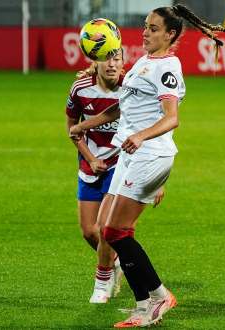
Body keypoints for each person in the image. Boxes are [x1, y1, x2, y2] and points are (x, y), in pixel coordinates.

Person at [70, 5, 225, 327]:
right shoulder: (143, 62)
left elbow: (172, 117)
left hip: (150, 154)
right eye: (145, 26)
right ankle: (146, 303)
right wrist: (86, 126)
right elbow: (120, 108)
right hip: (129, 154)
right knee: (106, 230)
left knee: (115, 231)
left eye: (153, 28)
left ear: (171, 35)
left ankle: (156, 297)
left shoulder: (167, 68)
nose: (145, 32)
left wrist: (140, 136)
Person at [66, 49, 164, 304]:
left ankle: (102, 284)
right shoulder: (80, 89)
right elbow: (72, 125)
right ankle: (118, 262)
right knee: (90, 232)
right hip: (91, 165)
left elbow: (152, 128)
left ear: (123, 62)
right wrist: (90, 158)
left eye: (117, 58)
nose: (112, 64)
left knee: (107, 226)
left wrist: (156, 179)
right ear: (94, 62)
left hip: (124, 163)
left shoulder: (132, 87)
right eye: (106, 59)